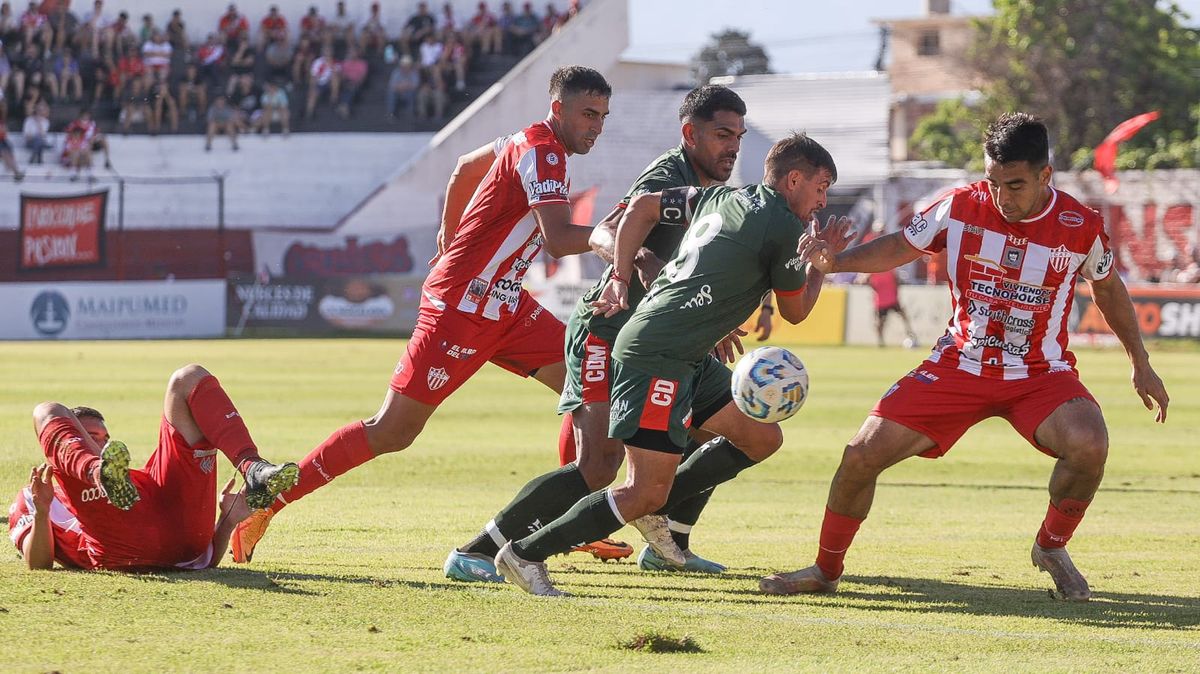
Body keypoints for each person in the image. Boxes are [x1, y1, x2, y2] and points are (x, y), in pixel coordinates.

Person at [759, 113, 1170, 602]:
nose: (1002, 197)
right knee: (860, 455)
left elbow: (1108, 289)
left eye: (1015, 185)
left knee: (1091, 444)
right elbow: (899, 246)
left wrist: (1140, 361)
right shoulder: (958, 206)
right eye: (994, 182)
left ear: (1045, 176)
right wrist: (838, 262)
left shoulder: (1080, 226)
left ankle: (1051, 547)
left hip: (1040, 374)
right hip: (959, 364)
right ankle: (825, 571)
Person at [230, 66, 613, 564]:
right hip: (460, 311)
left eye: (603, 116)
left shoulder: (525, 142)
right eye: (588, 114)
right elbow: (561, 240)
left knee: (589, 379)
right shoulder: (542, 152)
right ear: (557, 108)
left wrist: (449, 236)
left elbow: (462, 168)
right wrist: (618, 235)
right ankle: (266, 502)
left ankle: (570, 519)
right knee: (393, 431)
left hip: (507, 306)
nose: (596, 126)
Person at [493, 133, 851, 596]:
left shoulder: (722, 196)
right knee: (642, 489)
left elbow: (641, 208)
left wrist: (620, 278)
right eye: (821, 188)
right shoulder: (784, 227)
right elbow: (796, 312)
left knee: (761, 435)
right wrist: (821, 264)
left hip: (685, 352)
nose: (821, 201)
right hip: (657, 355)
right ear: (794, 179)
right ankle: (525, 554)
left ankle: (651, 507)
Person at [444, 85, 771, 581]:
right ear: (690, 134)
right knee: (599, 466)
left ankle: (668, 539)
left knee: (752, 432)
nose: (733, 147)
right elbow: (620, 225)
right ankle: (478, 551)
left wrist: (714, 317)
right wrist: (630, 270)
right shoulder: (668, 176)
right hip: (608, 330)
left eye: (740, 138)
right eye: (723, 135)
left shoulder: (716, 195)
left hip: (670, 344)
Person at [8, 364, 299, 571]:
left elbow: (198, 557)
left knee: (188, 377)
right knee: (47, 410)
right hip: (115, 546)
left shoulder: (138, 481)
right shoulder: (38, 494)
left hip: (180, 541)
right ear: (63, 445)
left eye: (105, 439)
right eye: (90, 437)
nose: (102, 443)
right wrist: (43, 509)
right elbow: (39, 564)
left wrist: (227, 521)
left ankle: (254, 467)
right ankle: (99, 475)